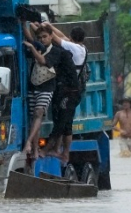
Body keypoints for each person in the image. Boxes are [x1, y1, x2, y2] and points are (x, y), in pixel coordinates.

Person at [36, 22, 87, 162]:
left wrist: (46, 26)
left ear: (72, 37)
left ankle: (49, 149)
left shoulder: (72, 49)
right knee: (66, 124)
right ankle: (63, 152)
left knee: (61, 122)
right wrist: (48, 26)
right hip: (72, 90)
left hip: (69, 90)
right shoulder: (80, 48)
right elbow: (61, 36)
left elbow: (57, 38)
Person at [22, 25, 61, 160]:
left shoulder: (56, 51)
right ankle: (35, 150)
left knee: (39, 113)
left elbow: (43, 61)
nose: (42, 39)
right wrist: (23, 24)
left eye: (45, 37)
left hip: (47, 87)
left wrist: (32, 48)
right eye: (40, 37)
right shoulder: (38, 46)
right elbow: (29, 38)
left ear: (51, 36)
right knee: (35, 117)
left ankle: (29, 142)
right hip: (33, 86)